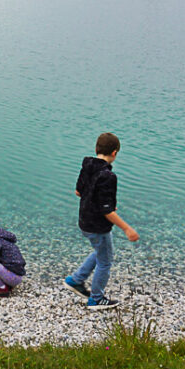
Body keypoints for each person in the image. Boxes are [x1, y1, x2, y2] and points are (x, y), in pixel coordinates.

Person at [64, 132, 138, 309]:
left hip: (84, 220)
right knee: (105, 261)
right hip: (97, 225)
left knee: (101, 251)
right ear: (114, 153)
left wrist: (104, 204)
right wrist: (127, 228)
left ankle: (75, 280)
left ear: (96, 149)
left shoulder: (87, 166)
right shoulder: (108, 176)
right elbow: (106, 211)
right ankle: (96, 298)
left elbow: (79, 192)